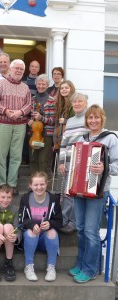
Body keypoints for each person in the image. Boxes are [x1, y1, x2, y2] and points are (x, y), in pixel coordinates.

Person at [69, 104, 118, 283]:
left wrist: (105, 167)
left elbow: (117, 165)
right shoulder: (83, 138)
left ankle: (90, 269)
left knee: (91, 231)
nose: (93, 120)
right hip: (80, 191)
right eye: (90, 118)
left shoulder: (111, 138)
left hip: (98, 191)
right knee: (81, 229)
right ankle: (81, 263)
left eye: (96, 117)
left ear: (102, 118)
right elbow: (75, 160)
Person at [0, 59, 31, 193]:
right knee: (1, 155)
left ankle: (12, 184)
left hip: (20, 124)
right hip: (3, 123)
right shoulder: (0, 83)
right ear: (10, 69)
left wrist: (20, 112)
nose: (19, 71)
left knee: (16, 155)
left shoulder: (25, 87)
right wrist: (6, 111)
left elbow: (29, 105)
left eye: (21, 69)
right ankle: (2, 184)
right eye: (16, 68)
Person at [18, 172, 62, 282]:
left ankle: (51, 267)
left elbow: (60, 221)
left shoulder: (53, 199)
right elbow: (21, 220)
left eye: (42, 184)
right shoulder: (25, 198)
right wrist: (32, 225)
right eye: (36, 185)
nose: (39, 187)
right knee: (31, 232)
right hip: (30, 239)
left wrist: (50, 224)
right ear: (30, 185)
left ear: (47, 184)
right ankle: (28, 266)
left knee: (52, 232)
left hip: (45, 240)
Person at [58, 93, 89, 233]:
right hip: (68, 162)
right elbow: (64, 144)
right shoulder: (69, 121)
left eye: (80, 101)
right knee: (67, 193)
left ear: (85, 103)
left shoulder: (90, 118)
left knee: (77, 193)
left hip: (82, 162)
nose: (77, 104)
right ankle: (63, 220)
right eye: (74, 102)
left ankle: (73, 222)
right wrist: (61, 162)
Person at [27, 74, 55, 176]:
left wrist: (41, 118)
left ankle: (43, 184)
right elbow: (27, 116)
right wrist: (29, 122)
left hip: (46, 134)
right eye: (39, 84)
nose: (41, 86)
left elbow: (53, 120)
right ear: (36, 84)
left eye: (43, 84)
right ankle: (33, 183)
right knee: (33, 159)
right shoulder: (32, 99)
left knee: (43, 160)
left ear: (47, 85)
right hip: (33, 134)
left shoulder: (51, 100)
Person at [53, 80, 75, 152]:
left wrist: (65, 121)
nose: (64, 90)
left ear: (71, 89)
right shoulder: (60, 104)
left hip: (70, 137)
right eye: (62, 88)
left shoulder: (74, 103)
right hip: (60, 138)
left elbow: (77, 120)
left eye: (66, 88)